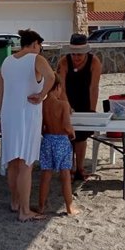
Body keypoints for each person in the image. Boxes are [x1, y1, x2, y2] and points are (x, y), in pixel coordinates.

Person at [0, 29, 55, 222]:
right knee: (25, 164)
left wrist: (2, 115)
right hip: (27, 115)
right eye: (40, 46)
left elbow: (0, 93)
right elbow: (52, 77)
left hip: (9, 116)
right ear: (35, 44)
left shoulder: (7, 61)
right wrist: (42, 95)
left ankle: (15, 202)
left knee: (13, 163)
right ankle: (24, 211)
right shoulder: (36, 59)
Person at [57, 33, 102, 180]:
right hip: (67, 99)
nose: (76, 57)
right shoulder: (64, 62)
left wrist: (92, 110)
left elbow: (94, 87)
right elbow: (61, 87)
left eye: (80, 54)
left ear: (86, 52)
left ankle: (80, 169)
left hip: (85, 100)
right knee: (68, 136)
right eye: (74, 54)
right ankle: (70, 168)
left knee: (81, 138)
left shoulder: (94, 62)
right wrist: (66, 106)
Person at [38, 76, 80, 216]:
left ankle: (41, 206)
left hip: (48, 140)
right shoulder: (63, 105)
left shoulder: (42, 105)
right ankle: (69, 207)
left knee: (46, 174)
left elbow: (41, 127)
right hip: (61, 141)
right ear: (57, 87)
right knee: (65, 175)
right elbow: (67, 127)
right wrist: (72, 133)